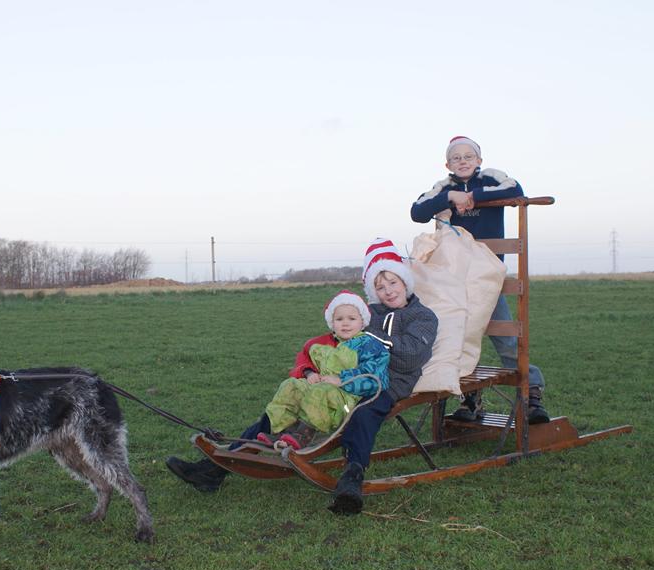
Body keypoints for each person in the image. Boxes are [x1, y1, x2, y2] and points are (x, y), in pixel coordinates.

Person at [165, 239, 438, 515]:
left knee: (362, 415)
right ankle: (215, 469)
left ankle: (352, 478)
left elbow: (413, 355)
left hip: (385, 386)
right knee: (285, 406)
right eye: (380, 286)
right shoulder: (368, 313)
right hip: (340, 379)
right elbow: (328, 342)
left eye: (393, 282)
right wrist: (309, 372)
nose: (388, 291)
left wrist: (369, 333)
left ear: (405, 281)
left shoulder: (422, 317)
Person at [410, 135, 550, 425]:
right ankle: (469, 399)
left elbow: (516, 189)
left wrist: (473, 198)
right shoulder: (443, 187)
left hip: (485, 277)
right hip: (453, 280)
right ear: (448, 163)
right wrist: (450, 197)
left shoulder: (490, 179)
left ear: (479, 160)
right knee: (456, 338)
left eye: (468, 156)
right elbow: (417, 211)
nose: (463, 161)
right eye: (456, 158)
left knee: (507, 338)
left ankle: (532, 393)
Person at [256, 290, 389, 450]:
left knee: (321, 391)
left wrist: (342, 379)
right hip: (322, 387)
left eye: (351, 318)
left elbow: (376, 378)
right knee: (290, 385)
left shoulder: (369, 345)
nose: (345, 323)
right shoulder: (326, 345)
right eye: (339, 319)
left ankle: (304, 434)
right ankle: (281, 429)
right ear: (332, 323)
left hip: (347, 399)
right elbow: (307, 361)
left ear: (362, 321)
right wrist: (311, 373)